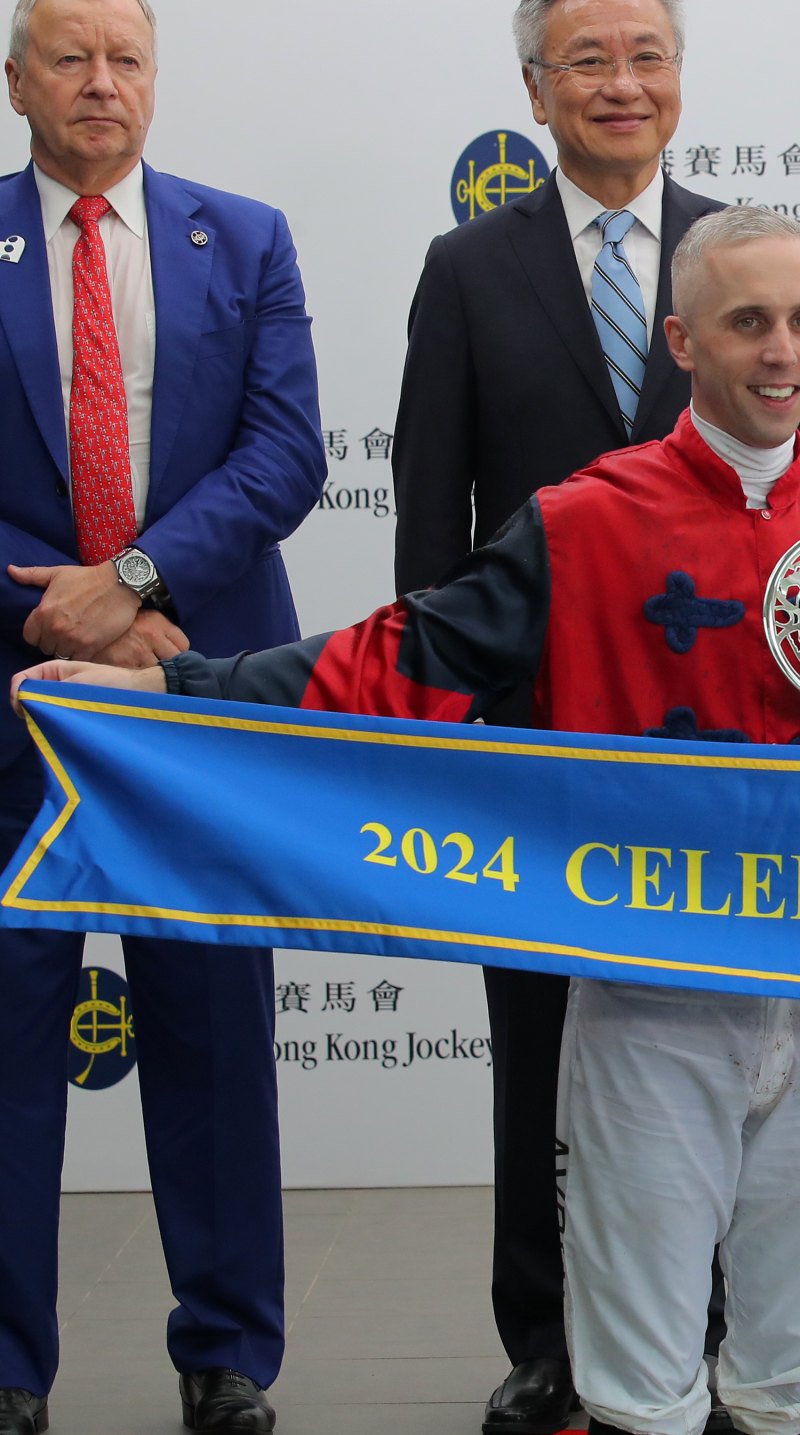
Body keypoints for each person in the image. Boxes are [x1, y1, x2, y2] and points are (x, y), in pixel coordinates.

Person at [18, 207, 800, 1435]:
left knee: (796, 1366)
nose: (780, 352)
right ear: (680, 339)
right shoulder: (582, 521)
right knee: (639, 1364)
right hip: (648, 994)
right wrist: (171, 689)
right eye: (746, 323)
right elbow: (397, 662)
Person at [393, 4, 800, 1428]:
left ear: (681, 80)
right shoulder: (468, 267)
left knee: (720, 1048)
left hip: (725, 755)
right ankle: (551, 1335)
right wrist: (459, 724)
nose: (621, 82)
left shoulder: (749, 257)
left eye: (646, 53)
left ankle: (705, 1334)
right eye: (588, 57)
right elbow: (430, 525)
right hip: (542, 740)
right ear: (536, 86)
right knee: (546, 1043)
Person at [0, 0, 325, 1430]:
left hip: (199, 688)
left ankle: (229, 1354)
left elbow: (285, 450)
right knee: (6, 1039)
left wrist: (131, 586)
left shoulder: (241, 237)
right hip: (13, 688)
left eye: (126, 57)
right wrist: (58, 609)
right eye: (68, 55)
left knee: (209, 1030)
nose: (100, 82)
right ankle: (8, 1367)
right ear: (15, 80)